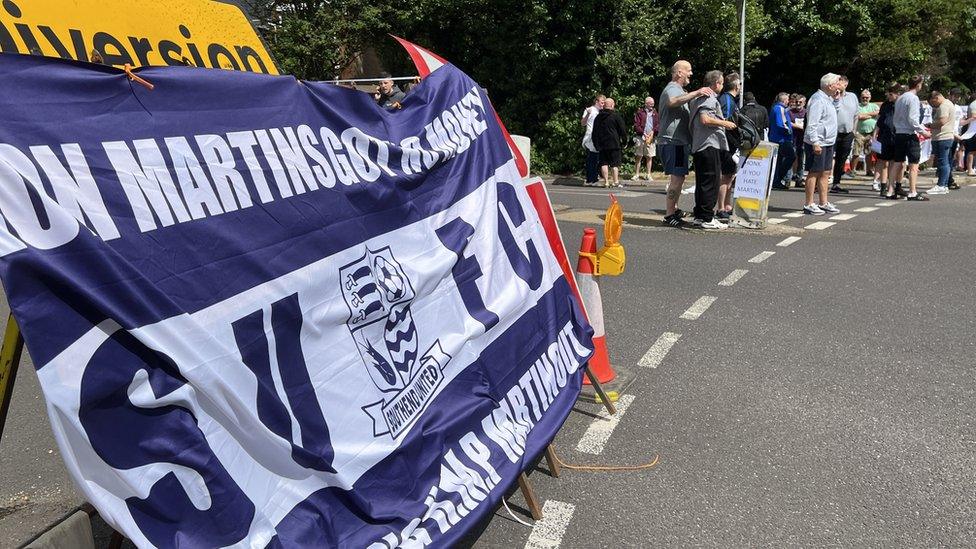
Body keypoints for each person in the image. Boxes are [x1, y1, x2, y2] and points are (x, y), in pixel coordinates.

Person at [657, 60, 714, 227]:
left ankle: (673, 210)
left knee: (680, 178)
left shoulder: (680, 90)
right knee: (676, 179)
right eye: (688, 70)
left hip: (680, 143)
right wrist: (696, 93)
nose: (691, 73)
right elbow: (672, 102)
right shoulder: (672, 88)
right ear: (679, 72)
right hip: (672, 142)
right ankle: (669, 215)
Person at [689, 70, 737, 230]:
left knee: (703, 182)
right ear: (716, 83)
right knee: (711, 182)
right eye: (722, 83)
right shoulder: (709, 98)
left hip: (700, 145)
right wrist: (725, 123)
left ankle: (699, 216)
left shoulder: (697, 98)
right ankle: (707, 218)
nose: (722, 86)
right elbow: (705, 119)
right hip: (709, 145)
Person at [802, 73, 842, 215]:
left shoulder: (828, 99)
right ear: (830, 86)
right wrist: (815, 142)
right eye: (837, 83)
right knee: (814, 172)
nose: (839, 85)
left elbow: (831, 115)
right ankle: (809, 203)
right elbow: (812, 124)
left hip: (828, 141)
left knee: (825, 172)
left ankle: (823, 202)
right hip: (818, 141)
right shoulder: (818, 100)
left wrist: (836, 101)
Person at [885, 75, 930, 201]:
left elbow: (895, 118)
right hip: (909, 134)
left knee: (897, 162)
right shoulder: (913, 98)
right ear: (918, 85)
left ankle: (890, 190)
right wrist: (924, 132)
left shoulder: (900, 98)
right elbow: (913, 119)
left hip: (899, 133)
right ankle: (912, 192)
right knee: (913, 164)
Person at [716, 73, 741, 222]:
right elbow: (722, 120)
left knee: (730, 176)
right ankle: (720, 208)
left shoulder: (731, 99)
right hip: (726, 143)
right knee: (725, 176)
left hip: (731, 143)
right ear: (737, 86)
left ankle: (727, 205)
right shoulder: (726, 99)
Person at [830, 75, 858, 193]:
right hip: (833, 132)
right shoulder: (831, 97)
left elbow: (856, 114)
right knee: (828, 158)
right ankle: (821, 183)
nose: (837, 84)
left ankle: (836, 183)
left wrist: (854, 131)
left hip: (847, 133)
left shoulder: (852, 97)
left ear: (845, 84)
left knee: (842, 159)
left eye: (839, 82)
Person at [592, 98, 628, 188]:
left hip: (602, 144)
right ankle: (615, 181)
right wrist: (624, 141)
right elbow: (622, 130)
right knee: (615, 163)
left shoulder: (598, 117)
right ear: (612, 105)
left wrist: (596, 144)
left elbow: (594, 132)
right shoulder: (616, 116)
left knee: (603, 163)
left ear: (604, 105)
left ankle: (606, 182)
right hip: (614, 143)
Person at [873, 84, 903, 193]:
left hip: (897, 136)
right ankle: (883, 186)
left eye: (891, 94)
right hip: (884, 137)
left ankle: (895, 185)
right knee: (884, 162)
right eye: (888, 94)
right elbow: (880, 121)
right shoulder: (885, 105)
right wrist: (874, 135)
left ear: (898, 94)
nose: (889, 97)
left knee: (896, 163)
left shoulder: (902, 105)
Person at [926, 91, 956, 195]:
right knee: (945, 161)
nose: (933, 106)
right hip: (944, 137)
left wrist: (930, 125)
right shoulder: (948, 104)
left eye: (932, 103)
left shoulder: (943, 106)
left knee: (943, 161)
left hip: (942, 137)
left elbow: (943, 121)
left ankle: (942, 185)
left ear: (936, 98)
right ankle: (944, 184)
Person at [769, 92, 795, 189]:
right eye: (788, 100)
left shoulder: (777, 108)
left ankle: (776, 180)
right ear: (784, 100)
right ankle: (778, 178)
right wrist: (789, 131)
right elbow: (782, 124)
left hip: (777, 138)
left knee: (778, 160)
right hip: (782, 139)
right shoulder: (780, 108)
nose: (788, 101)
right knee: (791, 156)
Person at [852, 89, 880, 176]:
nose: (865, 99)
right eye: (863, 97)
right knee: (856, 152)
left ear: (870, 98)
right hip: (859, 132)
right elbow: (858, 116)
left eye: (867, 97)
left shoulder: (874, 106)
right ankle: (853, 170)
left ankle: (869, 171)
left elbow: (878, 113)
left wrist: (866, 115)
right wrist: (871, 115)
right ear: (860, 97)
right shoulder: (857, 106)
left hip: (871, 133)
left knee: (869, 153)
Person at [581, 95, 606, 186]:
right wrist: (588, 113)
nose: (603, 105)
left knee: (596, 159)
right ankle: (591, 179)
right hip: (590, 138)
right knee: (591, 159)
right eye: (602, 102)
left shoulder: (602, 112)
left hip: (598, 138)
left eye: (604, 103)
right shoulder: (590, 110)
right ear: (596, 101)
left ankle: (593, 178)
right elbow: (583, 123)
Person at [632, 97, 657, 182]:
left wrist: (653, 132)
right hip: (640, 137)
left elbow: (658, 124)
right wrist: (643, 133)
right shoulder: (640, 112)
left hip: (651, 137)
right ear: (646, 103)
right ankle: (636, 174)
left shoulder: (655, 113)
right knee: (639, 156)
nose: (652, 105)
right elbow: (636, 125)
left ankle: (648, 174)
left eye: (653, 103)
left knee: (649, 156)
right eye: (650, 103)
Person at [789, 93, 807, 185]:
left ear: (804, 103)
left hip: (803, 139)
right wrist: (798, 126)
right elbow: (788, 123)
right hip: (793, 138)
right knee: (792, 157)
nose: (798, 103)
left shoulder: (806, 112)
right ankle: (791, 176)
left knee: (801, 159)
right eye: (797, 102)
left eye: (800, 102)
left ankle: (799, 178)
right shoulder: (790, 112)